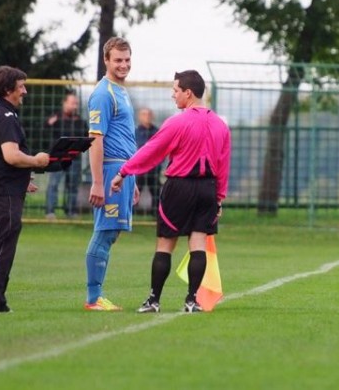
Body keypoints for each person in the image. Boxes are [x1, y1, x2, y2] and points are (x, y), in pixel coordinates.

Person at [111, 69, 231, 314]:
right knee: (198, 243)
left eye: (176, 90)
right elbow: (223, 165)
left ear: (188, 93)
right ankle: (192, 301)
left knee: (165, 245)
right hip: (207, 189)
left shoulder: (177, 122)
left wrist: (124, 171)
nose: (172, 95)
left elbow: (152, 151)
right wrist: (219, 197)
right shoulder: (220, 125)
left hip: (179, 188)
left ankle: (153, 301)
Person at [0, 66, 49, 314]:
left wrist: (22, 180)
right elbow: (11, 156)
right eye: (21, 86)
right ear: (7, 89)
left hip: (4, 188)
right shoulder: (4, 115)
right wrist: (37, 161)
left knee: (0, 241)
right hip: (0, 191)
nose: (25, 91)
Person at [84, 37, 139, 311]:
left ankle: (96, 297)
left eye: (127, 60)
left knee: (112, 232)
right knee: (104, 232)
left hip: (123, 171)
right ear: (106, 60)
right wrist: (97, 182)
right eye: (118, 60)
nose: (123, 65)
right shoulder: (103, 94)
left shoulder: (121, 91)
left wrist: (132, 176)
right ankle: (93, 299)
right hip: (110, 170)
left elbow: (125, 136)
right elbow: (96, 139)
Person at [44, 91, 88, 220]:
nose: (74, 106)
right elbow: (44, 131)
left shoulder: (80, 121)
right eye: (72, 103)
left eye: (76, 104)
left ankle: (71, 211)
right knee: (53, 184)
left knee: (73, 186)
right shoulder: (55, 119)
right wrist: (49, 124)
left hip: (74, 158)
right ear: (64, 103)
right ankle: (50, 212)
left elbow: (86, 137)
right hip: (57, 157)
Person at [133, 107, 163, 213]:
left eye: (149, 114)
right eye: (144, 114)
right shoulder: (135, 132)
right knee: (136, 188)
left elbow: (162, 149)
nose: (147, 117)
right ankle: (132, 210)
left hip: (153, 167)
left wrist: (158, 164)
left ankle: (156, 212)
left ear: (153, 116)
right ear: (139, 117)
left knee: (155, 190)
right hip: (139, 167)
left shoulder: (157, 132)